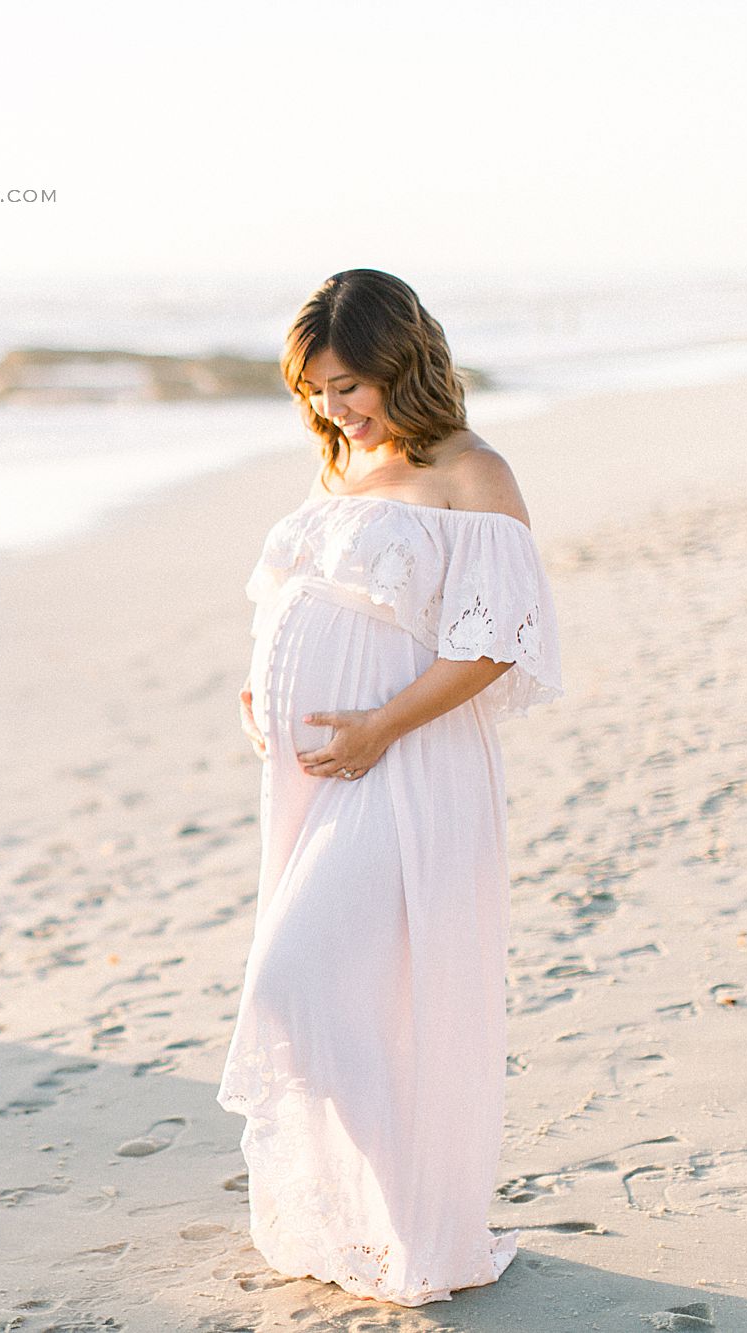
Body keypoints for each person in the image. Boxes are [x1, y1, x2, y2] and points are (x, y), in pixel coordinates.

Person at [216, 269, 565, 1307]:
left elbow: (498, 641)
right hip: (313, 775)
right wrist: (259, 686)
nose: (336, 408)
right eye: (317, 390)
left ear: (404, 362)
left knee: (297, 985)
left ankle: (421, 1223)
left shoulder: (470, 472)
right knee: (340, 991)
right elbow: (294, 604)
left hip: (403, 765)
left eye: (351, 384)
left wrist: (375, 726)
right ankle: (376, 1212)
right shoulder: (342, 472)